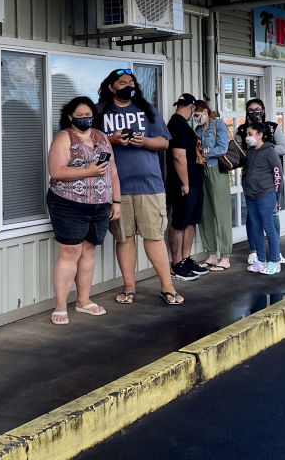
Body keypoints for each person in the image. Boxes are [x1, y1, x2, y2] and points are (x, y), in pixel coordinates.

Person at [94, 69, 184, 306]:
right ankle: (129, 287)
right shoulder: (100, 111)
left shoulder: (147, 109)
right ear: (112, 86)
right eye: (122, 82)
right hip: (115, 187)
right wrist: (110, 140)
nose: (128, 86)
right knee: (124, 239)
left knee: (154, 237)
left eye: (131, 82)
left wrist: (143, 141)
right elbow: (90, 144)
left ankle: (167, 286)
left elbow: (164, 142)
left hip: (149, 185)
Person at [46, 97, 121, 324]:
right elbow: (56, 171)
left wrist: (116, 201)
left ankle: (83, 300)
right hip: (68, 203)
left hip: (99, 205)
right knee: (70, 252)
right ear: (70, 117)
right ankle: (60, 306)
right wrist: (88, 171)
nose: (84, 119)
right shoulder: (64, 138)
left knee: (89, 250)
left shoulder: (102, 137)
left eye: (88, 115)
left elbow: (113, 171)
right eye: (79, 116)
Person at [235, 99, 285, 264]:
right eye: (251, 110)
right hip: (251, 180)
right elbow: (237, 151)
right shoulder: (242, 130)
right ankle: (255, 252)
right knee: (253, 218)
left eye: (257, 109)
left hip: (268, 181)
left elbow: (284, 148)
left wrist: (264, 148)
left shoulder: (272, 127)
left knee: (272, 217)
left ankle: (275, 253)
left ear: (263, 110)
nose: (254, 113)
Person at [166, 93, 209, 281]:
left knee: (191, 222)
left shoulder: (184, 125)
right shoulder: (176, 124)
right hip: (184, 183)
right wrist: (184, 183)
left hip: (195, 181)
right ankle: (176, 265)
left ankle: (185, 259)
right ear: (192, 108)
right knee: (179, 223)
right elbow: (178, 156)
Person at [194, 99, 233, 270]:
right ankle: (211, 254)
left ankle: (225, 256)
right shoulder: (196, 130)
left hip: (217, 170)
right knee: (205, 214)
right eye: (194, 115)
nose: (196, 118)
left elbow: (223, 148)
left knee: (222, 213)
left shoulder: (218, 125)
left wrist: (205, 154)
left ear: (206, 112)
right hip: (202, 172)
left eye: (198, 114)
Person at [242, 122, 282, 274]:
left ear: (259, 135)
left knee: (269, 228)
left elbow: (278, 175)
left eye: (250, 134)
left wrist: (276, 198)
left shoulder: (269, 151)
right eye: (247, 134)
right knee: (256, 228)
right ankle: (261, 260)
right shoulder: (250, 151)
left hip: (266, 195)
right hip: (250, 195)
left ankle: (275, 261)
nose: (248, 137)